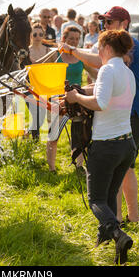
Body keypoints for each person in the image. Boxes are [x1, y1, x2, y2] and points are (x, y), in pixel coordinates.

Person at [62, 6, 139, 225]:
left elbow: (97, 62)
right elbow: (103, 82)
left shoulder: (130, 45)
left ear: (124, 23)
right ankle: (123, 218)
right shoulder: (117, 59)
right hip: (131, 112)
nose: (105, 26)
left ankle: (123, 220)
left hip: (134, 113)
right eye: (104, 23)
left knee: (122, 170)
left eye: (109, 22)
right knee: (125, 169)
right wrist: (80, 92)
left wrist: (71, 50)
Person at [63, 29, 136, 264]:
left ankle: (119, 236)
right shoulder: (127, 72)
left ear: (105, 48)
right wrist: (80, 92)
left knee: (96, 200)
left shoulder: (106, 69)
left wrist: (76, 99)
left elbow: (100, 102)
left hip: (106, 146)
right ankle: (105, 240)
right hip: (127, 145)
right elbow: (105, 94)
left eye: (98, 49)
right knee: (110, 194)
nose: (97, 53)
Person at [36, 26, 96, 172]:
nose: (74, 42)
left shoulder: (80, 56)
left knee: (79, 135)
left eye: (76, 39)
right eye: (71, 39)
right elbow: (39, 68)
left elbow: (95, 72)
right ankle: (51, 169)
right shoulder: (55, 54)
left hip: (76, 100)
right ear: (64, 39)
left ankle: (79, 166)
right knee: (53, 136)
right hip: (57, 99)